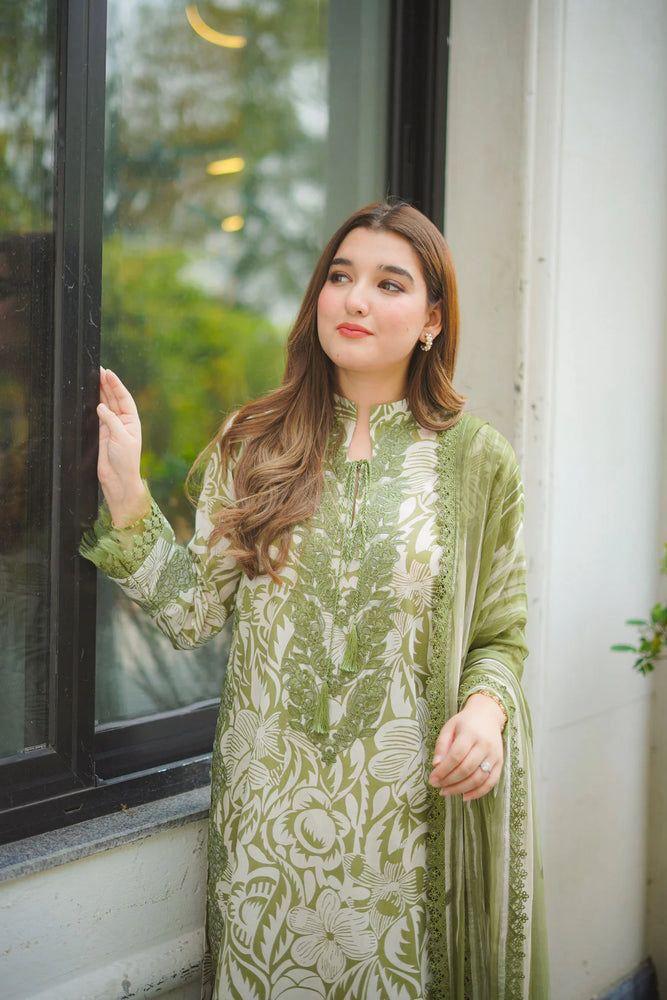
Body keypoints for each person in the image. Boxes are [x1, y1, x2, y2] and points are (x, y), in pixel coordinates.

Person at [78, 198, 550, 999]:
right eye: (340, 277)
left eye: (388, 283)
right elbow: (193, 613)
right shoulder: (255, 442)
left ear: (432, 318)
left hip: (410, 836)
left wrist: (485, 714)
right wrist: (126, 488)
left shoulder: (477, 462)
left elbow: (501, 633)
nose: (355, 300)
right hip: (268, 839)